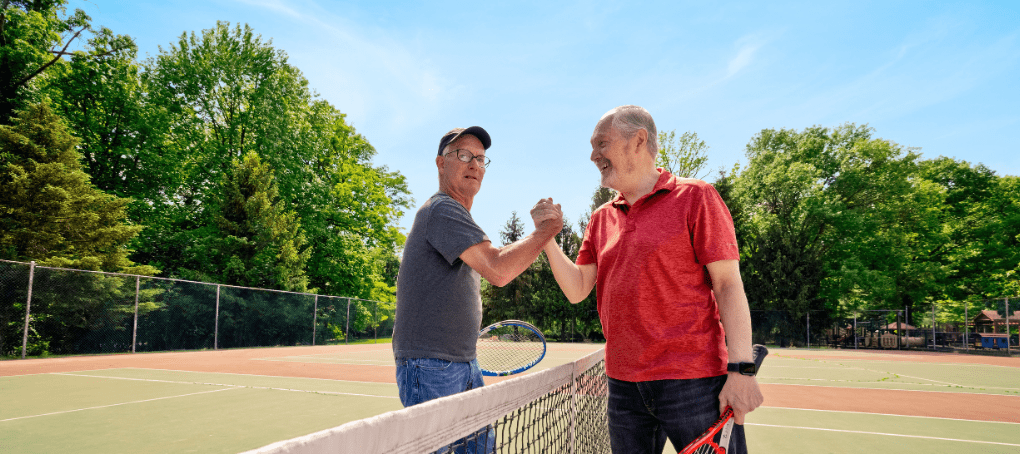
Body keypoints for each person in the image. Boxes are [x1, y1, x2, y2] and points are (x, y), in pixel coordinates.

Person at [538, 106, 763, 453]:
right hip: (624, 388)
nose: (593, 155)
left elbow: (729, 285)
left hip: (694, 382)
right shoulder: (601, 219)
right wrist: (547, 238)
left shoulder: (696, 196)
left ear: (639, 140)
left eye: (602, 143)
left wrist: (741, 371)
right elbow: (577, 289)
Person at [392, 126, 562, 452]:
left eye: (481, 159)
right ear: (441, 163)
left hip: (462, 364)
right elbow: (498, 269)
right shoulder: (442, 209)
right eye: (464, 155)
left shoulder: (459, 218)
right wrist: (544, 232)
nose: (474, 165)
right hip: (431, 367)